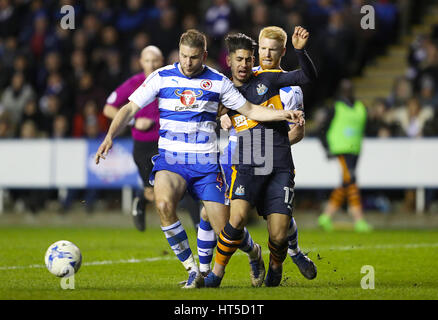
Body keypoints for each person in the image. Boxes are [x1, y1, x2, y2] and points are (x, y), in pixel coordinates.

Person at [94, 29, 303, 289]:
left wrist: (283, 115)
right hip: (171, 160)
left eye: (193, 57)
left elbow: (249, 109)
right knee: (163, 204)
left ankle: (254, 252)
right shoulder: (162, 77)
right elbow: (129, 108)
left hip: (205, 164)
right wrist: (110, 135)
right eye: (183, 56)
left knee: (226, 231)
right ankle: (194, 270)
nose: (188, 63)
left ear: (203, 55)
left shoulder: (218, 82)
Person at [199, 26, 317, 284]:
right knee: (230, 218)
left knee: (278, 232)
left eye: (270, 50)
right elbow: (209, 109)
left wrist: (301, 51)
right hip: (243, 158)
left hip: (278, 161)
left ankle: (278, 264)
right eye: (261, 49)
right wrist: (221, 119)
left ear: (281, 52)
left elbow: (306, 82)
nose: (264, 55)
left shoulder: (277, 82)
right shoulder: (228, 87)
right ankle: (212, 274)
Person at [102, 45, 201, 232]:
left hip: (169, 144)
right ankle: (141, 198)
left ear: (161, 61)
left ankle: (200, 228)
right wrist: (134, 121)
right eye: (147, 61)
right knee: (154, 192)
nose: (151, 64)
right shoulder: (134, 83)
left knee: (185, 185)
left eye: (155, 60)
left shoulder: (171, 79)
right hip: (144, 146)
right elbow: (108, 108)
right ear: (141, 62)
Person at [317, 79, 372, 233]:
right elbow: (322, 129)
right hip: (341, 149)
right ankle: (359, 219)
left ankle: (326, 216)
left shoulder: (360, 107)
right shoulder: (335, 107)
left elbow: (366, 126)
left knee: (346, 182)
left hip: (355, 150)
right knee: (352, 180)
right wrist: (327, 148)